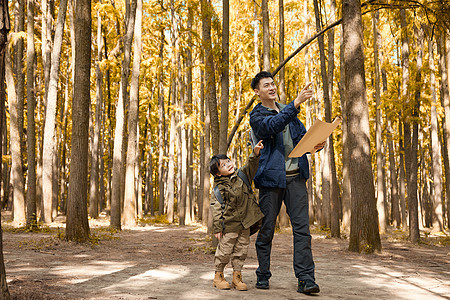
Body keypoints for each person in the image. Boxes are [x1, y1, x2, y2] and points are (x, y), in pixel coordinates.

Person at [249, 71, 325, 294]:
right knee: (267, 229)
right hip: (271, 180)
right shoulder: (257, 115)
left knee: (302, 230)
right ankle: (263, 274)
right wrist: (296, 103)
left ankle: (306, 279)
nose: (272, 87)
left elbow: (302, 137)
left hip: (296, 179)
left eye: (273, 84)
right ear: (257, 91)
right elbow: (270, 127)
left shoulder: (287, 110)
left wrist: (315, 144)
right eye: (266, 85)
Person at [210, 140, 265, 291]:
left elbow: (251, 165)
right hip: (229, 225)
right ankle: (218, 276)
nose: (228, 164)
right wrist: (217, 228)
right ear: (217, 172)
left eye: (228, 161)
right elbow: (215, 209)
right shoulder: (218, 189)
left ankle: (237, 277)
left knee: (241, 250)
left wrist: (255, 153)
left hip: (245, 224)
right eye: (223, 165)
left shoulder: (242, 176)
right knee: (224, 251)